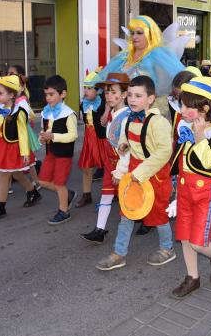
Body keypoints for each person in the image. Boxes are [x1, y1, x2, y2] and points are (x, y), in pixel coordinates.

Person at [96, 76, 175, 271]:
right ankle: (119, 253)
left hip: (154, 173)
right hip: (134, 170)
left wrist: (140, 173)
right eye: (130, 95)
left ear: (150, 99)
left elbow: (164, 152)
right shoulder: (130, 118)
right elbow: (127, 139)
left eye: (138, 96)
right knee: (127, 212)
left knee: (158, 214)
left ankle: (167, 248)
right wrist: (123, 145)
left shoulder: (159, 123)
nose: (132, 99)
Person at [169, 76, 211, 298]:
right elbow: (180, 157)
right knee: (185, 236)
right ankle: (192, 278)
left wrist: (200, 137)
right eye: (181, 104)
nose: (181, 110)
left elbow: (209, 163)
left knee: (198, 242)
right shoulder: (184, 125)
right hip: (185, 189)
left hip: (206, 192)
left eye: (186, 106)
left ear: (204, 108)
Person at [0, 75, 41, 221]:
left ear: (12, 95)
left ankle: (1, 206)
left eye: (1, 93)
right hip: (2, 145)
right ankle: (33, 192)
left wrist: (25, 152)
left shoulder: (19, 111)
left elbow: (23, 133)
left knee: (3, 176)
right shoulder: (2, 108)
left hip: (13, 148)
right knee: (16, 174)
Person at [96, 15, 184, 113]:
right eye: (132, 33)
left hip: (151, 113)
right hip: (123, 112)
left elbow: (174, 81)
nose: (134, 37)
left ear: (150, 34)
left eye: (139, 33)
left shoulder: (158, 54)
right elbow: (112, 87)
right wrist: (107, 111)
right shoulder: (122, 57)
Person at [81, 73, 131, 243]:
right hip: (111, 162)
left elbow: (128, 147)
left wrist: (121, 169)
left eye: (113, 92)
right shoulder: (113, 113)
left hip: (123, 164)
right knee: (106, 195)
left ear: (124, 94)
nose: (108, 95)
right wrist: (108, 109)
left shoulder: (128, 116)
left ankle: (151, 222)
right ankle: (99, 229)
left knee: (129, 199)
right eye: (107, 92)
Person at [38, 75, 79, 225]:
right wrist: (42, 137)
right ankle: (68, 194)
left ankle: (64, 211)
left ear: (63, 94)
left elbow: (73, 135)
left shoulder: (69, 114)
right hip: (51, 152)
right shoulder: (45, 112)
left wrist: (53, 136)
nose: (48, 98)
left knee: (60, 183)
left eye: (51, 94)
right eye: (46, 94)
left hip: (64, 155)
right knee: (42, 181)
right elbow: (44, 130)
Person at [76, 71, 107, 208]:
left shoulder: (104, 103)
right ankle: (86, 195)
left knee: (109, 166)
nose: (86, 91)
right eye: (85, 88)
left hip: (102, 138)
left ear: (98, 90)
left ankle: (114, 194)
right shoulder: (83, 104)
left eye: (89, 88)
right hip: (89, 138)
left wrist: (107, 111)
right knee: (86, 167)